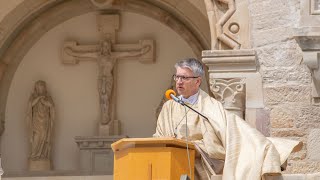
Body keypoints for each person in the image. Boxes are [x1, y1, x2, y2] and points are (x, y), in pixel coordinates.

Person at [153, 58, 302, 180]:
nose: (179, 82)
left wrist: (194, 146)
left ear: (197, 81)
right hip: (170, 167)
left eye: (184, 78)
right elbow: (158, 138)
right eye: (177, 77)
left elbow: (219, 145)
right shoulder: (169, 107)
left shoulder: (210, 107)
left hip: (200, 169)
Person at [26, 80, 55, 160]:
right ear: (36, 88)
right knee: (37, 136)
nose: (41, 89)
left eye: (42, 87)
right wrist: (38, 98)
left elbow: (51, 106)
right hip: (36, 121)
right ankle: (34, 154)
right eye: (39, 88)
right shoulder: (33, 96)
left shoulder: (48, 97)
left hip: (45, 121)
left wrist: (44, 101)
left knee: (43, 136)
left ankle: (42, 154)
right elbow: (30, 105)